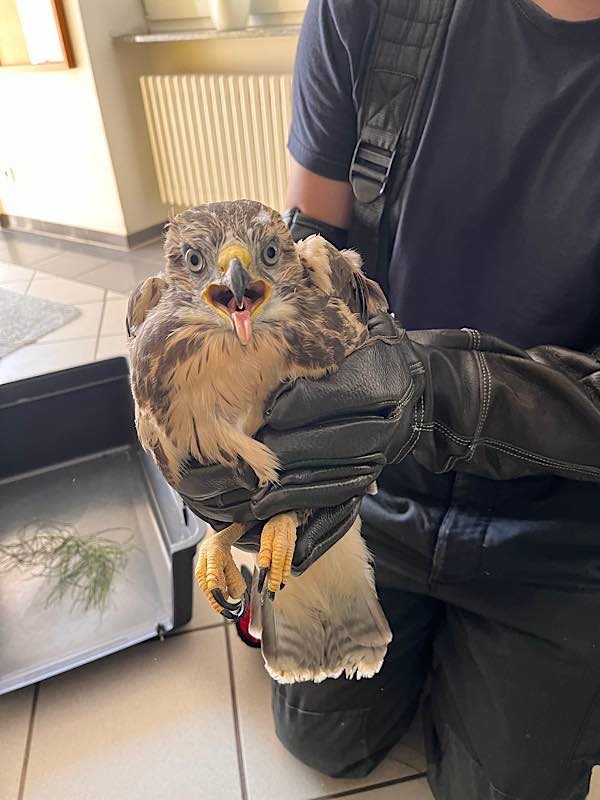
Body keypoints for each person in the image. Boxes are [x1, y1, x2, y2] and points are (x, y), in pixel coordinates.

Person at [179, 1, 600, 797]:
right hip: (372, 488)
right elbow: (306, 265)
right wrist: (247, 436)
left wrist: (426, 396)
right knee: (322, 742)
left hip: (562, 525)